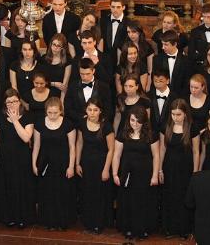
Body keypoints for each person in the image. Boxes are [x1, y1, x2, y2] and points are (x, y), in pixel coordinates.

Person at [0, 88, 35, 227]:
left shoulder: (28, 116)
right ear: (5, 103)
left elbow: (26, 138)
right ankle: (8, 217)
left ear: (19, 101)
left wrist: (15, 120)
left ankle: (22, 218)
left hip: (22, 159)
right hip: (5, 159)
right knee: (7, 188)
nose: (12, 104)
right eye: (9, 102)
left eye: (15, 101)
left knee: (21, 188)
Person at [112, 106, 159, 240]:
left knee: (143, 201)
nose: (135, 124)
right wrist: (115, 173)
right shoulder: (123, 133)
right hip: (127, 174)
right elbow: (117, 155)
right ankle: (128, 228)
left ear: (144, 122)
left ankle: (143, 228)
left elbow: (156, 156)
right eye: (132, 120)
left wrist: (155, 175)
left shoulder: (151, 134)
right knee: (127, 201)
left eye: (138, 121)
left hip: (144, 174)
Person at [32, 97, 76, 230]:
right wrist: (34, 163)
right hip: (45, 164)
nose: (52, 116)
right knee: (47, 194)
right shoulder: (39, 124)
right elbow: (37, 146)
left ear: (61, 111)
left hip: (63, 164)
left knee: (62, 194)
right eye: (49, 113)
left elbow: (72, 147)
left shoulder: (68, 124)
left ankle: (62, 222)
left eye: (55, 113)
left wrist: (71, 166)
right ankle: (49, 222)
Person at [159, 98, 200, 239]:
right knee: (169, 197)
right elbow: (162, 149)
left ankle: (184, 229)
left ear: (185, 114)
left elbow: (196, 151)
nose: (175, 118)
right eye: (173, 114)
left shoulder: (192, 128)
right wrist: (159, 169)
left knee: (184, 198)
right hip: (169, 167)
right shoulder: (166, 126)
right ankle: (169, 229)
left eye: (178, 115)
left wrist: (195, 172)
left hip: (186, 169)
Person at [75, 98, 114, 234]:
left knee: (99, 195)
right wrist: (77, 163)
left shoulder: (107, 126)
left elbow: (111, 149)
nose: (92, 113)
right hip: (86, 164)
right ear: (86, 110)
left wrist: (106, 169)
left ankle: (99, 223)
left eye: (95, 110)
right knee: (87, 193)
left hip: (101, 164)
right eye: (90, 109)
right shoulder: (82, 123)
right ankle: (88, 222)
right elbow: (79, 143)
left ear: (100, 111)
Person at [64, 58, 112, 125]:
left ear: (93, 71)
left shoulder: (104, 87)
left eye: (88, 74)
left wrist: (99, 120)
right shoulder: (73, 86)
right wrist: (81, 117)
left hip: (98, 125)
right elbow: (67, 107)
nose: (85, 77)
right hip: (77, 124)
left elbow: (108, 108)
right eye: (82, 74)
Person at [152, 29, 191, 96]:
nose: (162, 47)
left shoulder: (186, 61)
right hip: (161, 95)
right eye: (162, 44)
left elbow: (187, 83)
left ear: (175, 44)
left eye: (166, 45)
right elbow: (155, 80)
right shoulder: (157, 59)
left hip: (179, 96)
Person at [40, 33, 72, 102]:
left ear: (63, 48)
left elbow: (64, 86)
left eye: (58, 46)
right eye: (54, 44)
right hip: (44, 92)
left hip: (60, 95)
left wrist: (62, 101)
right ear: (50, 44)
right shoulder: (44, 59)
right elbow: (40, 81)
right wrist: (54, 84)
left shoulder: (68, 60)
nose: (55, 48)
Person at [124, 20, 154, 90]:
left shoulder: (147, 47)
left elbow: (150, 69)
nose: (131, 34)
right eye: (128, 32)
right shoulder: (123, 45)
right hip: (126, 79)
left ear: (140, 32)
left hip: (142, 80)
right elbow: (120, 64)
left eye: (134, 32)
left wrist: (148, 84)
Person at [99, 0, 128, 67]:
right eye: (113, 7)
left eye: (118, 7)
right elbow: (100, 39)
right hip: (105, 59)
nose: (115, 10)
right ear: (109, 7)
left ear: (123, 7)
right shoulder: (103, 21)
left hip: (122, 60)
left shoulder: (129, 23)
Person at [148, 68, 177, 136]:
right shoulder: (148, 96)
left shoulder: (175, 97)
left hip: (170, 133)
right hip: (151, 133)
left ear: (167, 81)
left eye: (161, 81)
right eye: (155, 81)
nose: (158, 83)